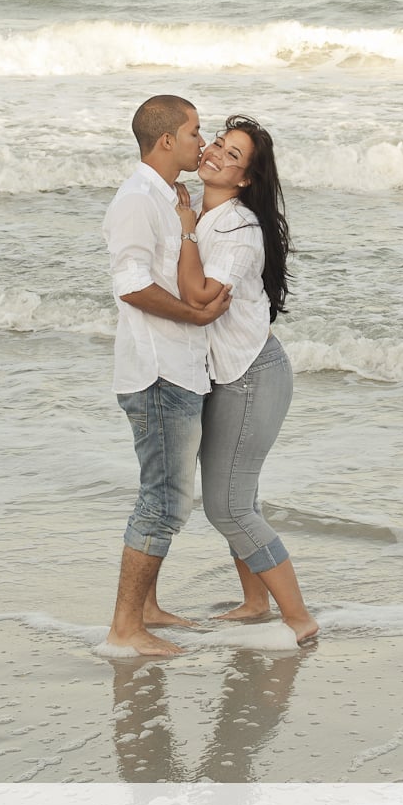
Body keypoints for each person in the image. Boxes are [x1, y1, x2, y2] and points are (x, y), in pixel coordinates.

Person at [172, 115, 317, 646]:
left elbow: (199, 296)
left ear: (245, 180)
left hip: (252, 373)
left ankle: (299, 619)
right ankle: (256, 602)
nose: (215, 154)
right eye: (217, 143)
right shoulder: (202, 212)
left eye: (233, 155)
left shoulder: (238, 229)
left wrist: (185, 227)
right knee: (237, 498)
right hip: (227, 372)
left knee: (227, 505)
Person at [104, 94, 232, 658]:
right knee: (163, 501)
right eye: (194, 132)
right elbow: (130, 284)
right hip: (158, 370)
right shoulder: (137, 200)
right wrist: (198, 315)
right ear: (165, 141)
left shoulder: (167, 196)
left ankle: (148, 609)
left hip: (179, 366)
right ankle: (125, 629)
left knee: (166, 497)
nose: (201, 143)